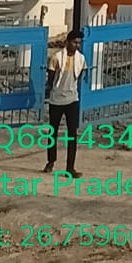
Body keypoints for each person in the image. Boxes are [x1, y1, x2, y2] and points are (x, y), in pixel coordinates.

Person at [44, 29, 87, 177]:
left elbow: (79, 76)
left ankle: (70, 167)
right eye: (74, 42)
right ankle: (51, 161)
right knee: (53, 132)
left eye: (79, 43)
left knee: (72, 134)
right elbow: (51, 79)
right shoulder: (56, 57)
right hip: (56, 100)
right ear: (68, 42)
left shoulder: (81, 59)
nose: (77, 45)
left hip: (72, 100)